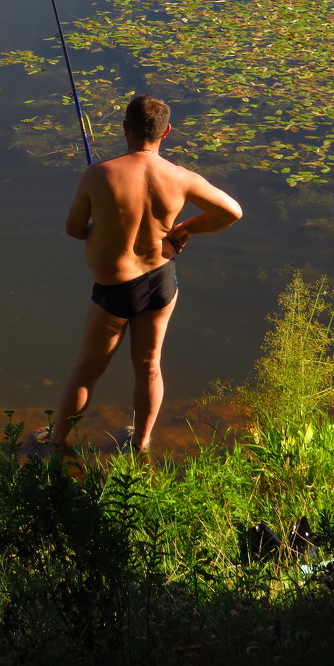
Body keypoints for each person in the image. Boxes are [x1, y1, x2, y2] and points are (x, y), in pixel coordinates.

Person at [47, 94, 242, 454]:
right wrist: (187, 229)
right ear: (166, 131)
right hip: (161, 282)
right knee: (150, 365)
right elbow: (231, 212)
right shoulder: (181, 177)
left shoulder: (99, 174)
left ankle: (57, 441)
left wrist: (100, 223)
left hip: (115, 290)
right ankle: (141, 441)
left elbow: (75, 229)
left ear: (125, 129)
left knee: (85, 372)